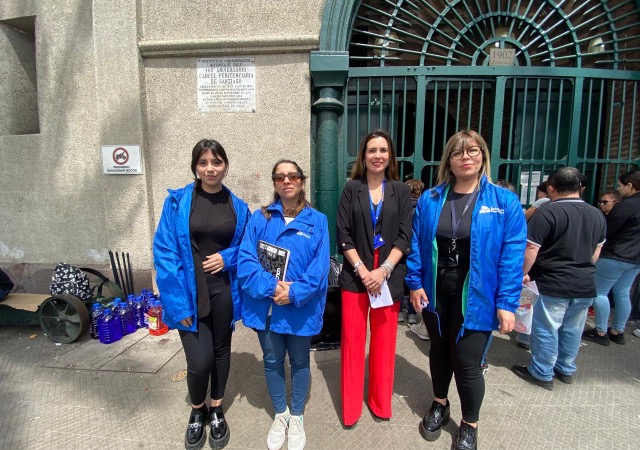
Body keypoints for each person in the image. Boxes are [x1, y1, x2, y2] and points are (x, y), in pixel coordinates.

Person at [406, 129, 526, 450]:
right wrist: (415, 283)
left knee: (467, 361)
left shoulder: (503, 201)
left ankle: (470, 423)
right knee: (439, 351)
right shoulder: (431, 199)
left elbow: (513, 256)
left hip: (478, 295)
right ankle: (440, 403)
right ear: (449, 160)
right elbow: (416, 246)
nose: (466, 158)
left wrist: (507, 302)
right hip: (436, 290)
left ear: (483, 156)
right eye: (458, 153)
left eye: (472, 151)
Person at [153, 139, 250, 450]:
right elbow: (165, 254)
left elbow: (247, 249)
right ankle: (198, 411)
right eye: (204, 162)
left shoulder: (238, 207)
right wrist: (177, 303)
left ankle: (217, 408)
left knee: (221, 351)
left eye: (217, 162)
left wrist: (229, 257)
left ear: (225, 166)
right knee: (199, 361)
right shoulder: (178, 203)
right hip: (188, 293)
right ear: (195, 166)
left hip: (223, 290)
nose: (211, 168)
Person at [237, 160, 329, 450]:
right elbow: (245, 259)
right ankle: (281, 413)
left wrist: (295, 292)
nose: (286, 181)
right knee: (273, 360)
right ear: (275, 183)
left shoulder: (318, 221)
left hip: (299, 306)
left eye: (292, 176)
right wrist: (272, 287)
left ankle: (297, 415)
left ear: (301, 182)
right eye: (280, 177)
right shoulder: (259, 218)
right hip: (267, 305)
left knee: (300, 361)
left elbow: (320, 267)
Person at [337, 129, 412, 427]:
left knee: (383, 345)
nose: (377, 155)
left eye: (383, 150)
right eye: (372, 150)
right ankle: (351, 408)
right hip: (356, 278)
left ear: (390, 155)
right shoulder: (351, 189)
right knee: (353, 345)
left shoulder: (401, 191)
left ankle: (380, 403)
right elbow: (342, 234)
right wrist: (364, 271)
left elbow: (405, 236)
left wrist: (384, 271)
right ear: (363, 156)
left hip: (388, 278)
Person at [512, 167, 606, 390]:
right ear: (580, 187)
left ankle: (542, 371)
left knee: (546, 327)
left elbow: (531, 249)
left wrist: (522, 273)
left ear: (551, 188)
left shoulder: (548, 212)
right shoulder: (596, 214)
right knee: (573, 328)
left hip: (553, 281)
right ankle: (565, 368)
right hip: (585, 281)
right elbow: (596, 251)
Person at [583, 170, 640, 346]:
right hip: (636, 258)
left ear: (630, 186)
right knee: (623, 292)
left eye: (621, 185)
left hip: (615, 255)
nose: (618, 188)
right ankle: (617, 331)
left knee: (599, 291)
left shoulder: (626, 205)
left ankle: (600, 331)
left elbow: (607, 230)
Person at [400, 178, 425, 326]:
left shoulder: (401, 205)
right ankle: (412, 313)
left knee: (400, 280)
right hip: (416, 248)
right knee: (414, 281)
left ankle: (398, 312)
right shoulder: (423, 205)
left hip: (402, 246)